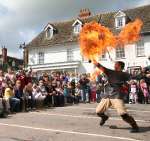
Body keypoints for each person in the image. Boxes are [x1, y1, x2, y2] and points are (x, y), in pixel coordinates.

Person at [93, 60, 139, 133]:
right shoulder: (110, 72)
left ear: (120, 66)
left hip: (117, 95)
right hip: (107, 95)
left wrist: (131, 82)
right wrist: (95, 62)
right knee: (98, 111)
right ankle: (104, 117)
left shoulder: (124, 74)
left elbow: (131, 79)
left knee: (123, 113)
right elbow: (101, 67)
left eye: (116, 64)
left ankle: (135, 126)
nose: (114, 65)